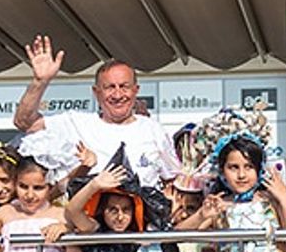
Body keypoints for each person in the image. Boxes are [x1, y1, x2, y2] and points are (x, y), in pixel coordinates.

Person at [13, 35, 177, 188]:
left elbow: (172, 180)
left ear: (136, 90)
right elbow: (25, 123)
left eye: (124, 86)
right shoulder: (75, 123)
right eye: (109, 87)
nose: (118, 95)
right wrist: (40, 82)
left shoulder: (154, 130)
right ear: (96, 92)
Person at [175, 109, 286, 252]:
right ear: (222, 170)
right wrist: (201, 215)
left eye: (249, 167)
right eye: (233, 167)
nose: (241, 175)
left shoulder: (270, 200)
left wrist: (285, 200)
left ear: (259, 169)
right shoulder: (219, 205)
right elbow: (178, 236)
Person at [63, 146, 181, 252]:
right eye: (113, 210)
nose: (120, 217)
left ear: (135, 210)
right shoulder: (96, 229)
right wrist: (94, 185)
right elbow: (73, 211)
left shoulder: (150, 231)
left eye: (126, 210)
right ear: (103, 210)